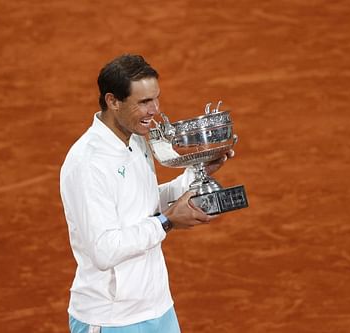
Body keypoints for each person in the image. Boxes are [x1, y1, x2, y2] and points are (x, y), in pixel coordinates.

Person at [60, 54, 234, 333]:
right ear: (112, 101)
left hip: (158, 309)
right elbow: (105, 249)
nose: (155, 110)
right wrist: (166, 222)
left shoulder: (137, 139)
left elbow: (141, 202)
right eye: (143, 102)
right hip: (112, 320)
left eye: (156, 98)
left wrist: (195, 175)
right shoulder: (88, 164)